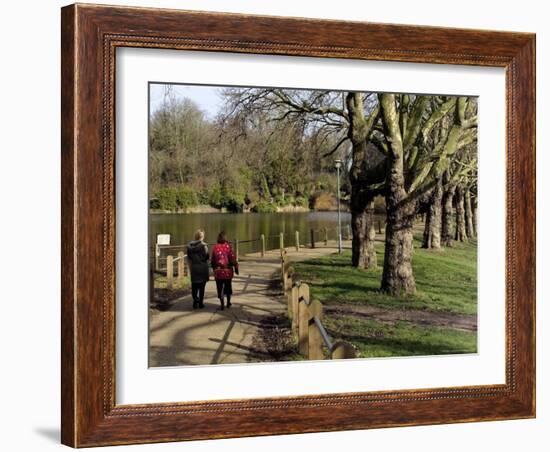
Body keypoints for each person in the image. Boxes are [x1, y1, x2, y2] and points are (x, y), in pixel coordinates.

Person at [211, 231, 239, 311]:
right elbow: (233, 259)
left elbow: (213, 260)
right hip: (227, 271)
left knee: (219, 287)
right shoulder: (228, 247)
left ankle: (222, 302)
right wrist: (236, 267)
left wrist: (213, 268)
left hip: (218, 271)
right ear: (225, 238)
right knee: (228, 286)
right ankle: (228, 302)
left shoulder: (215, 247)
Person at [186, 229, 209, 309]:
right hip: (203, 268)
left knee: (194, 286)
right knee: (202, 287)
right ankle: (201, 303)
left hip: (194, 267)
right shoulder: (204, 246)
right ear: (202, 237)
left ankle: (195, 300)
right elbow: (207, 257)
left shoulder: (189, 246)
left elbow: (189, 258)